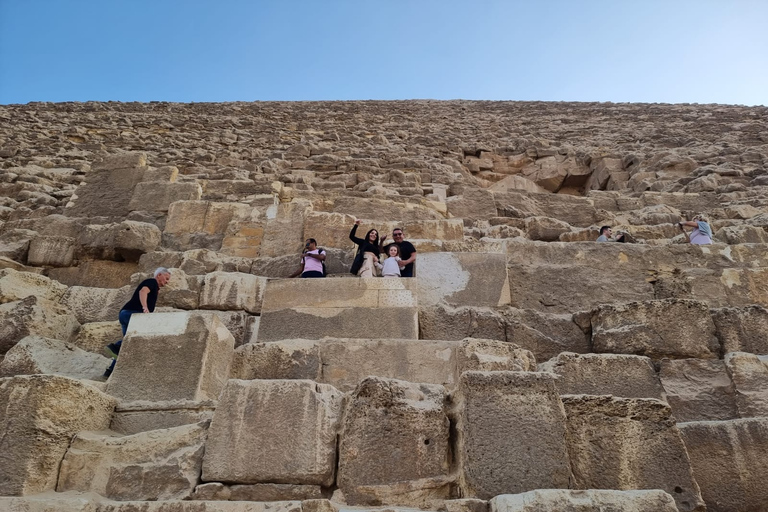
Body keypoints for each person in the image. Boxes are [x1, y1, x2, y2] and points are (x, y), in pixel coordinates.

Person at [103, 267, 171, 378]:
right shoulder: (152, 282)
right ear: (159, 275)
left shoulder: (155, 287)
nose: (167, 282)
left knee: (128, 343)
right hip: (133, 314)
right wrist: (145, 308)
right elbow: (143, 291)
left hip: (126, 314)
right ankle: (115, 346)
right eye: (166, 278)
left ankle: (109, 371)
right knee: (147, 329)